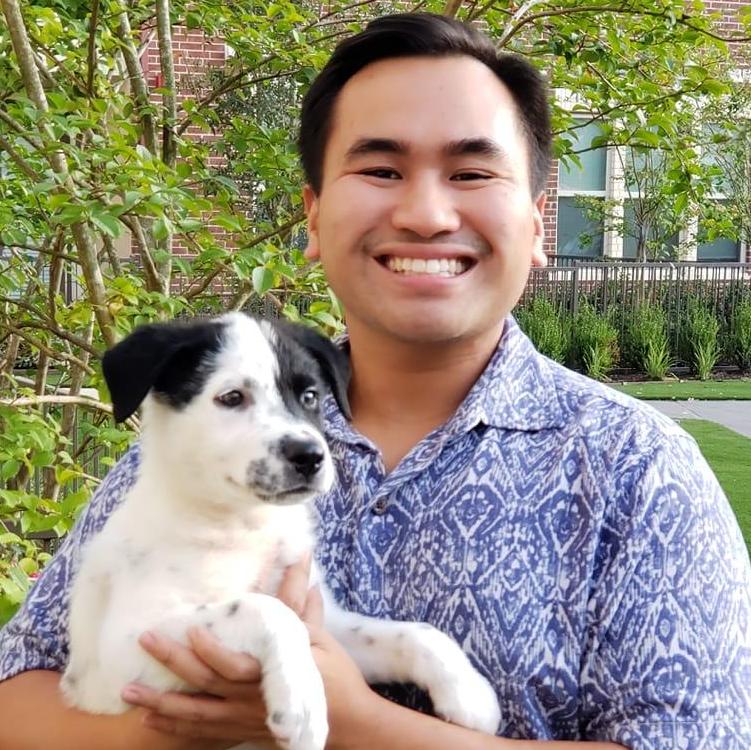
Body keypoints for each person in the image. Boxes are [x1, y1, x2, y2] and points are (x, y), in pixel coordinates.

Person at [1, 11, 750, 750]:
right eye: (381, 170)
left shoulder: (637, 472)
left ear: (535, 222)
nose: (425, 214)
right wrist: (182, 723)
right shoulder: (197, 448)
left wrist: (358, 724)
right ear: (313, 216)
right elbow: (16, 694)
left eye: (471, 172)